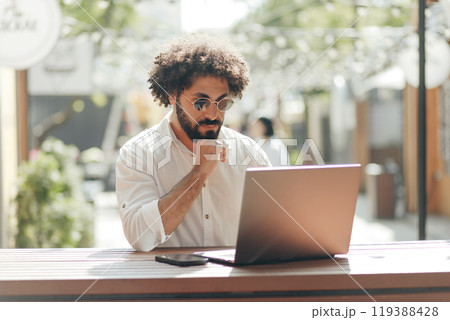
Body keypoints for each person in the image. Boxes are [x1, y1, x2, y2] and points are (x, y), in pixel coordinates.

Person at [116, 34, 270, 251]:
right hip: (166, 282)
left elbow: (273, 227)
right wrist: (198, 174)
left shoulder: (249, 153)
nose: (212, 114)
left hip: (235, 282)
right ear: (172, 96)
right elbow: (140, 237)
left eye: (222, 103)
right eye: (200, 102)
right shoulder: (137, 153)